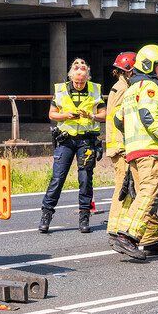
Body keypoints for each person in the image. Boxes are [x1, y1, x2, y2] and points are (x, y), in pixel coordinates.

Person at [112, 44, 158, 260]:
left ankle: (152, 240)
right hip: (148, 151)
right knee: (149, 195)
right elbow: (149, 116)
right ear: (149, 65)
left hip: (133, 152)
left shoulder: (131, 90)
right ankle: (128, 237)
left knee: (145, 193)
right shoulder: (149, 87)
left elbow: (118, 119)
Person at [39, 58, 106, 234]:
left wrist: (91, 115)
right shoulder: (61, 90)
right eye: (76, 81)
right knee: (58, 178)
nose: (79, 84)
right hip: (65, 140)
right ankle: (46, 215)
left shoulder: (94, 89)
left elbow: (104, 114)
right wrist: (66, 115)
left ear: (87, 78)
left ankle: (84, 217)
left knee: (85, 179)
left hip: (86, 141)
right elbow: (52, 114)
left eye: (82, 81)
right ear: (71, 77)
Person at [105, 51, 136, 247]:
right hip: (121, 147)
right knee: (124, 189)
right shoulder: (124, 90)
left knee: (121, 188)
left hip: (116, 146)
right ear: (129, 71)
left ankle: (115, 227)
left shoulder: (118, 87)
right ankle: (118, 230)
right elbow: (121, 119)